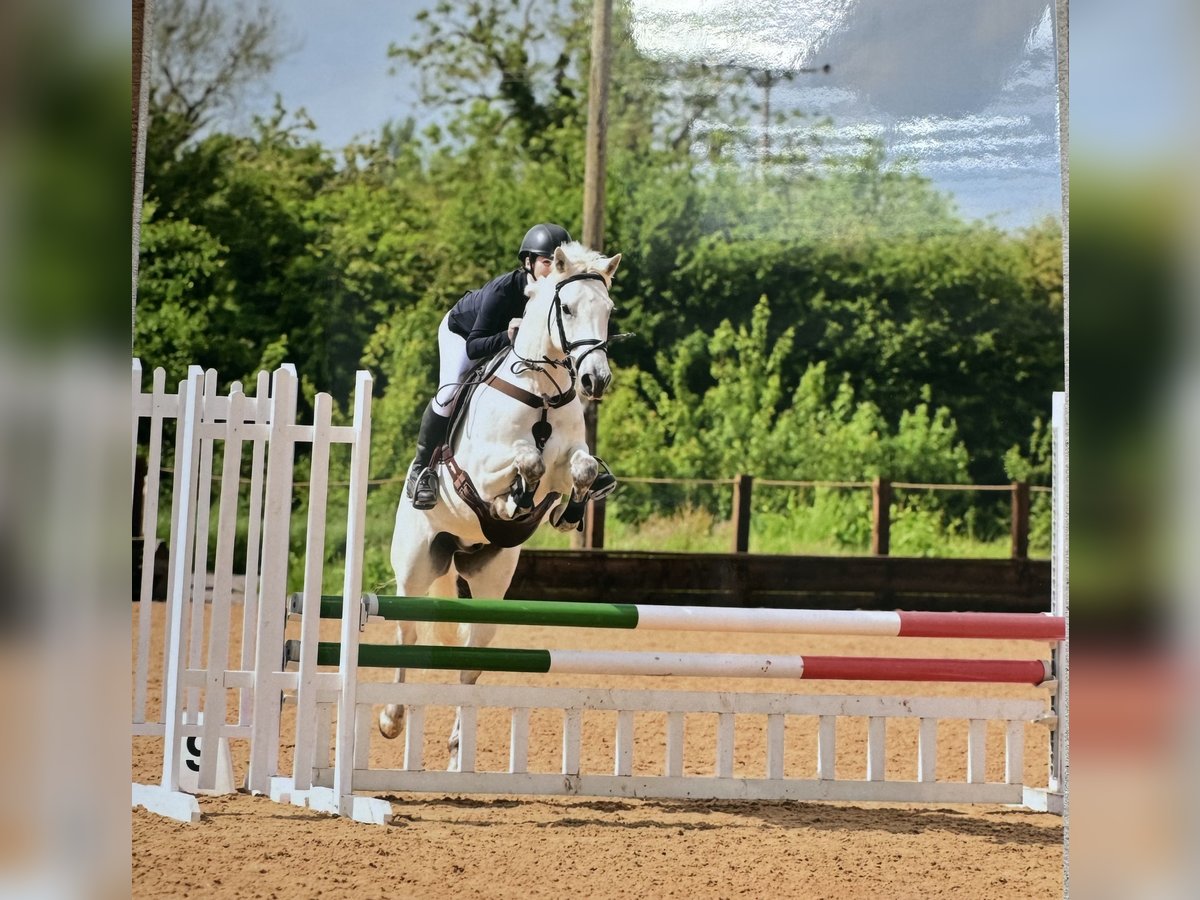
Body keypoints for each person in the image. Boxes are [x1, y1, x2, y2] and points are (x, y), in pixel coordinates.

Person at [405, 222, 578, 510]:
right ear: (529, 262)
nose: (552, 270)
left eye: (557, 263)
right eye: (547, 262)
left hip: (504, 344)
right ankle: (421, 469)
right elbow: (475, 346)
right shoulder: (504, 291)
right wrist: (509, 336)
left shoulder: (556, 298)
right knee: (449, 392)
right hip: (463, 333)